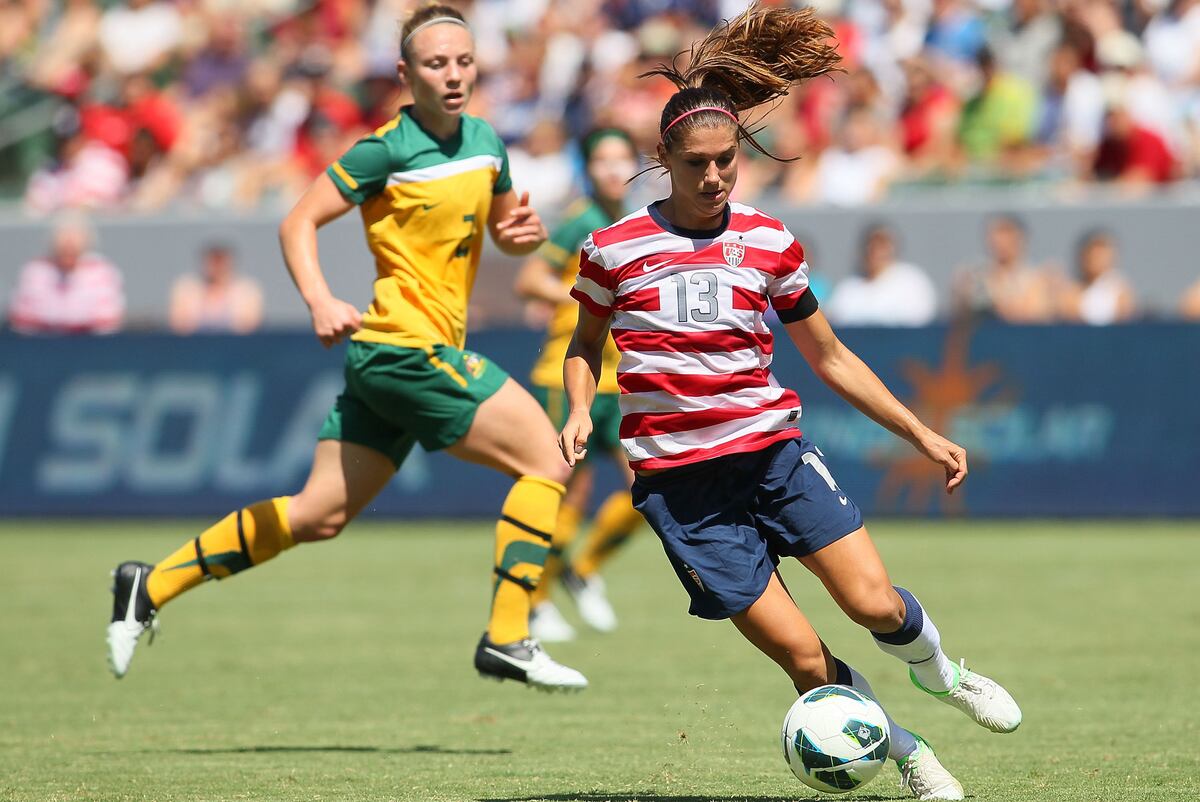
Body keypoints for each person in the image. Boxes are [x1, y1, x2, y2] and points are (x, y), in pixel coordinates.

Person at [558, 6, 1021, 800]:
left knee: (874, 603)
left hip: (774, 458)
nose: (713, 179)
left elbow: (831, 357)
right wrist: (575, 410)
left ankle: (944, 675)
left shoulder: (771, 243)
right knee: (807, 662)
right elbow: (582, 345)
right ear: (662, 156)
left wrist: (921, 432)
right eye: (697, 164)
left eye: (726, 162)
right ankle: (908, 752)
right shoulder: (612, 249)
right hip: (683, 492)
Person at [106, 3, 587, 693]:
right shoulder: (386, 149)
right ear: (404, 73)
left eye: (463, 61)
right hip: (403, 347)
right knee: (546, 459)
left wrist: (517, 236)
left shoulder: (486, 141)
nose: (453, 75)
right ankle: (508, 635)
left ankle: (149, 585)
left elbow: (510, 228)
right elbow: (298, 220)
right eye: (435, 63)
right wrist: (320, 299)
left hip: (394, 359)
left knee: (317, 514)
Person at [514, 127, 643, 642]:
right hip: (570, 373)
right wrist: (584, 301)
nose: (612, 170)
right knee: (565, 492)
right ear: (586, 170)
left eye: (621, 159)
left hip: (625, 377)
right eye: (601, 160)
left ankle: (581, 568)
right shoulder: (581, 223)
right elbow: (530, 280)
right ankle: (534, 601)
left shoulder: (637, 224)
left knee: (648, 491)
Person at [7, 212, 124, 335]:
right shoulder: (34, 271)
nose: (69, 245)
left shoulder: (102, 272)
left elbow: (108, 322)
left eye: (75, 239)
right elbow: (23, 321)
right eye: (63, 238)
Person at [825, 224, 938, 327]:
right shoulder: (847, 288)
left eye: (882, 245)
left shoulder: (913, 281)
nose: (875, 250)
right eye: (870, 244)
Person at [953, 214, 1055, 323]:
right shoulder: (975, 275)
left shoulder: (1037, 278)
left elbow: (1036, 313)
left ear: (1021, 238)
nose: (1000, 241)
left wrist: (998, 303)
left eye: (1007, 233)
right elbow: (964, 311)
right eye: (996, 234)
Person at [168, 243, 264, 334]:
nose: (216, 266)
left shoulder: (248, 291)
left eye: (220, 260)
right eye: (213, 260)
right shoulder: (186, 289)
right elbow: (178, 326)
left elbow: (250, 326)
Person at [1055, 229, 1136, 325]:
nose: (1097, 261)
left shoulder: (1121, 291)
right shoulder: (1071, 291)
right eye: (1093, 256)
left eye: (1102, 256)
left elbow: (1126, 317)